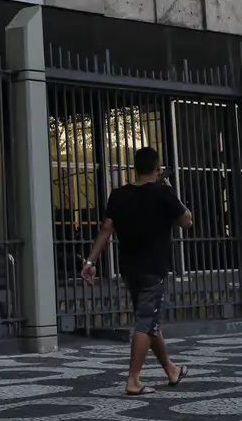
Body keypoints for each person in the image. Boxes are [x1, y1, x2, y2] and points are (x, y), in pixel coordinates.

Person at [80, 146, 194, 396]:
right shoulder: (163, 193)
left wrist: (90, 262)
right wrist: (171, 192)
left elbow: (106, 229)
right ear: (157, 168)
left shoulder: (119, 195)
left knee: (149, 319)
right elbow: (187, 221)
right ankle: (134, 379)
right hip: (154, 268)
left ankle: (171, 370)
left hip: (130, 269)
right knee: (146, 321)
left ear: (135, 168)